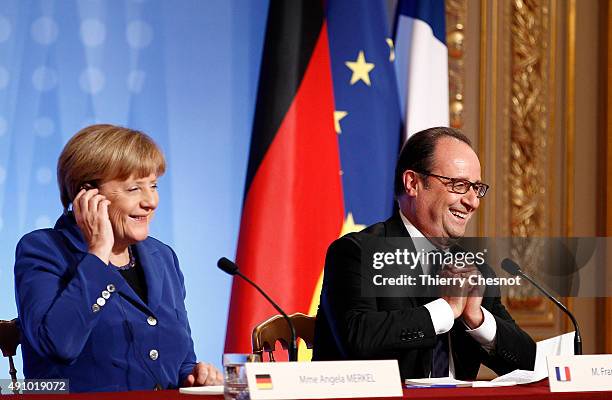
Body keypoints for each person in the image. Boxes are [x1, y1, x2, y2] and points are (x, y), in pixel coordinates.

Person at [313, 127, 536, 379]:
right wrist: (445, 310)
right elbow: (356, 339)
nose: (472, 202)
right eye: (459, 185)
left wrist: (478, 319)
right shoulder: (356, 252)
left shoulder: (474, 266)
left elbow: (529, 361)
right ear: (413, 183)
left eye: (476, 188)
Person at [14, 124, 222, 392]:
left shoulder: (162, 258)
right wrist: (98, 252)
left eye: (153, 185)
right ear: (87, 195)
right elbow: (59, 346)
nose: (151, 201)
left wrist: (194, 375)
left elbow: (180, 359)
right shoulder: (43, 250)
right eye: (134, 188)